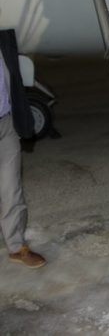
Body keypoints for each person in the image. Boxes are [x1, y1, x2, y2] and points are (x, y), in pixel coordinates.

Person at [0, 31, 46, 268]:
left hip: (5, 124)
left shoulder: (4, 39)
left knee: (12, 189)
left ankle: (16, 246)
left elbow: (14, 81)